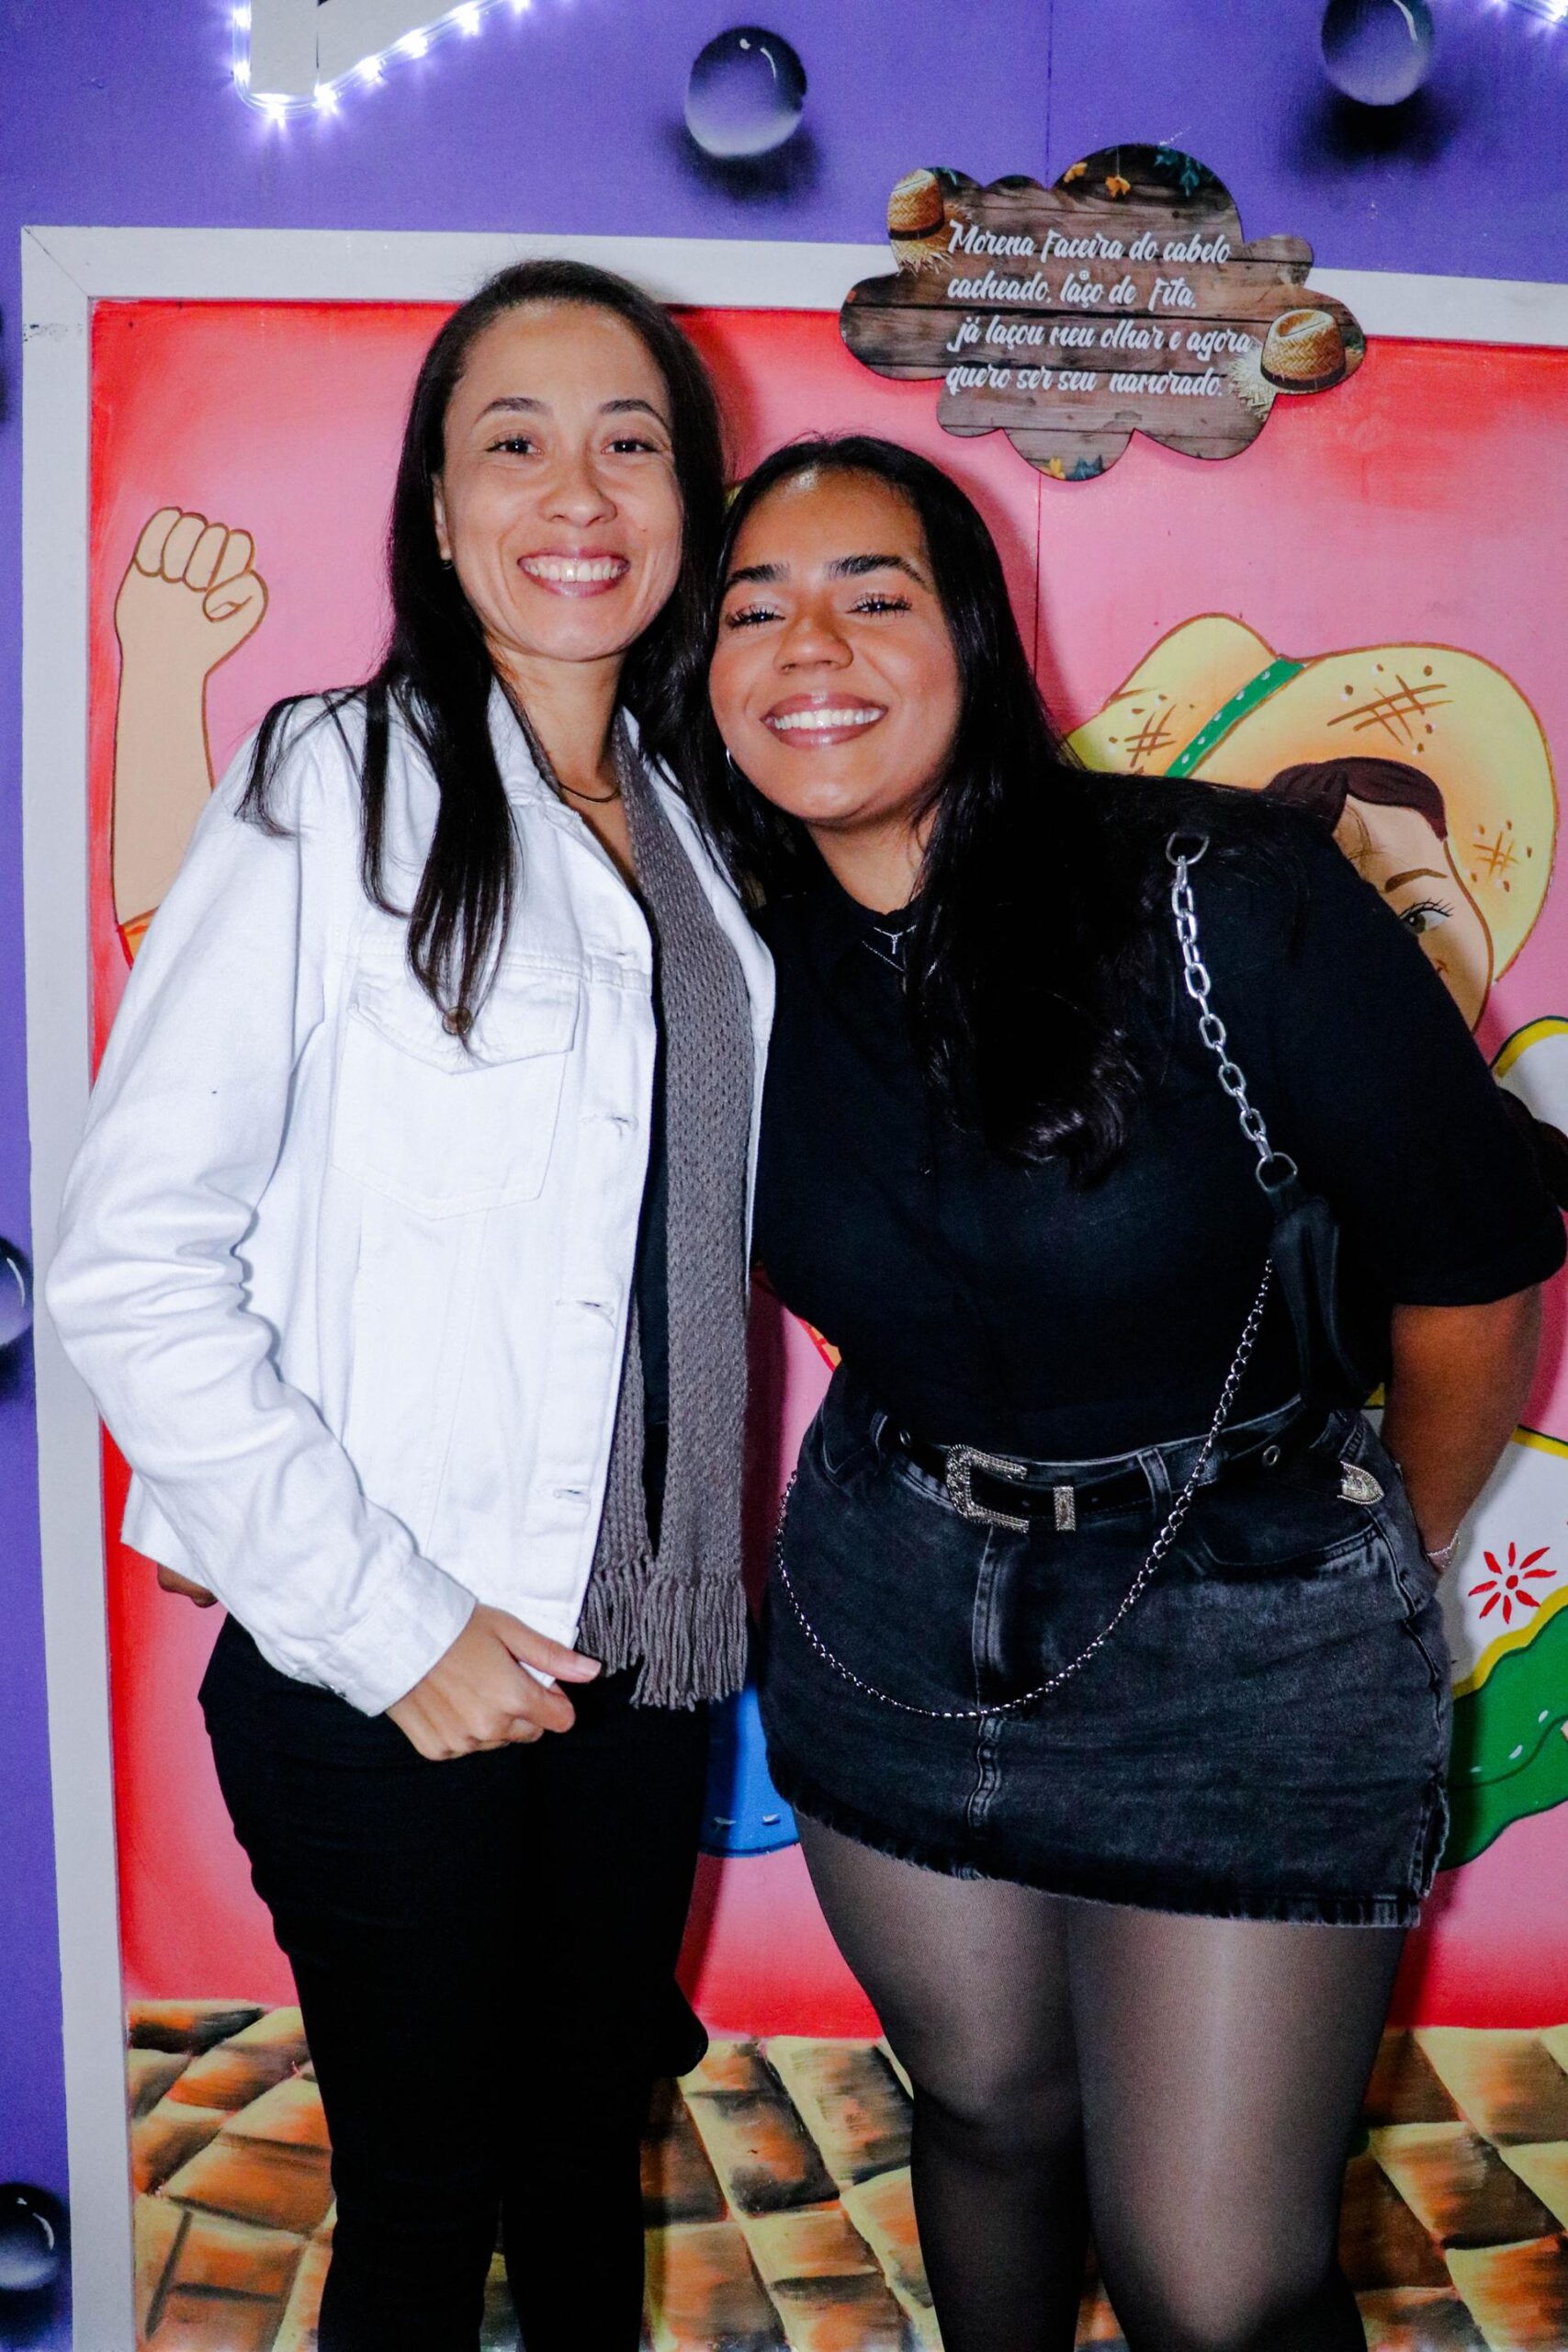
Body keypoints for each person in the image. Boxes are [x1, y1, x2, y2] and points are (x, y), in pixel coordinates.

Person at [694, 434, 1563, 2352]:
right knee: (989, 2114)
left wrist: (1368, 1558)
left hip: (1243, 1624)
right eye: (752, 611)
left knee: (1215, 2282)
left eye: (871, 594)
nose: (808, 645)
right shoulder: (717, 948)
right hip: (891, 1602)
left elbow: (1475, 1260)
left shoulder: (1216, 891)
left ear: (974, 637)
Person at [48, 259, 772, 2352]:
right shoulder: (329, 784)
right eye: (513, 443)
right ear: (440, 512)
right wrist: (392, 1628)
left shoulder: (709, 831)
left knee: (584, 2183)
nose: (579, 492)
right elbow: (129, 1257)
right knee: (425, 2213)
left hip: (648, 1657)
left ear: (690, 499)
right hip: (394, 1661)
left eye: (631, 442)